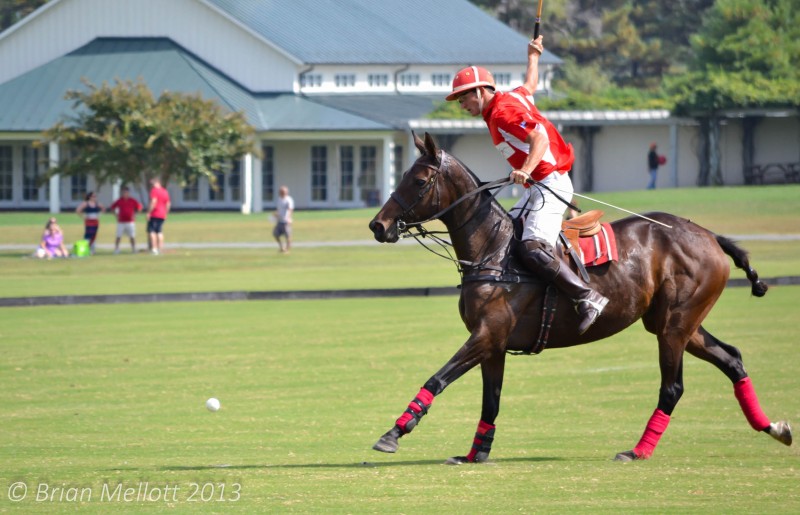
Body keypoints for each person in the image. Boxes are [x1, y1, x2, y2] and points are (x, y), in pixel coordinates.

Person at [446, 35, 608, 335]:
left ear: (482, 91)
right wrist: (533, 56)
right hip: (539, 186)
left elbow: (540, 139)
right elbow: (530, 85)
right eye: (459, 100)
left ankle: (588, 297)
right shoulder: (511, 99)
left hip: (551, 183)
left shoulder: (504, 113)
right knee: (506, 232)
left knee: (532, 247)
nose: (462, 104)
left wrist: (525, 169)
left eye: (465, 97)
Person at [108, 185, 143, 254]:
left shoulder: (132, 200)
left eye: (126, 192)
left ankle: (134, 249)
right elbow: (112, 208)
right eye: (124, 192)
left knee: (132, 236)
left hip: (130, 221)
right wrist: (116, 215)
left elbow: (139, 207)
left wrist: (135, 215)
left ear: (128, 193)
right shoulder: (119, 201)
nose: (125, 194)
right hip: (121, 221)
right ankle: (116, 249)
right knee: (118, 236)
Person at [147, 177, 171, 255]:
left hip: (155, 214)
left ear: (157, 183)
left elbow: (154, 202)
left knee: (152, 231)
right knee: (159, 231)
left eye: (153, 183)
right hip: (162, 214)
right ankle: (160, 248)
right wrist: (166, 212)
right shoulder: (165, 191)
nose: (152, 185)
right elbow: (168, 203)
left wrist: (149, 212)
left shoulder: (154, 191)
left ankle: (154, 248)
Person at [273, 185, 294, 253]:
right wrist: (276, 214)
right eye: (281, 192)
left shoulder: (288, 200)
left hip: (286, 221)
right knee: (275, 233)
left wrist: (288, 217)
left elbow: (290, 209)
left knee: (288, 235)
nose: (281, 193)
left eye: (283, 192)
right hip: (280, 220)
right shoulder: (279, 199)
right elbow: (278, 209)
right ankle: (281, 247)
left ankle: (287, 249)